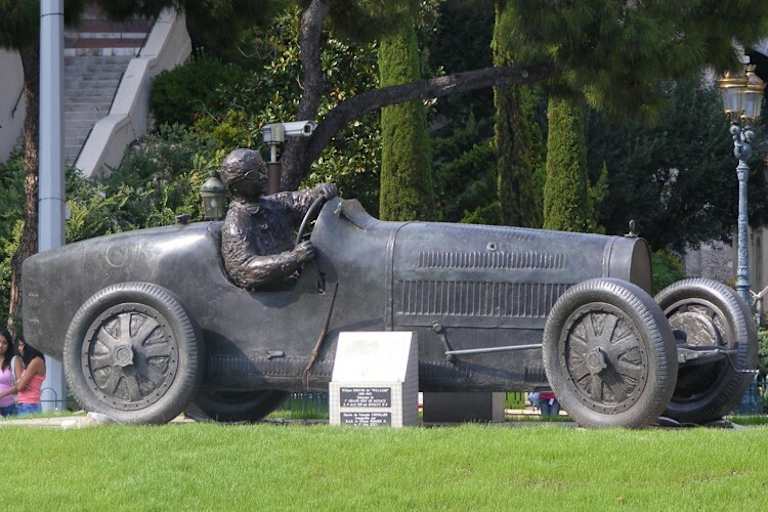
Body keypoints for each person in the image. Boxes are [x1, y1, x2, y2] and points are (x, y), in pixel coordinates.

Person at [219, 148, 337, 290]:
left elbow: (303, 201)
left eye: (263, 169)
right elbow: (244, 270)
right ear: (236, 184)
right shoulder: (235, 223)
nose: (264, 176)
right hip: (273, 300)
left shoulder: (275, 204)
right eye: (256, 173)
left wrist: (321, 191)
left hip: (300, 284)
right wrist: (294, 258)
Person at [11, 336, 45, 416]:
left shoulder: (36, 361)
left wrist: (20, 383)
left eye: (22, 345)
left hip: (30, 405)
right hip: (25, 404)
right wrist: (20, 383)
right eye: (19, 345)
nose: (19, 348)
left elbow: (19, 387)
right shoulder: (30, 362)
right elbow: (20, 384)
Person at [0, 328, 16, 417]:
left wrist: (2, 394)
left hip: (9, 407)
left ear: (9, 345)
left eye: (4, 343)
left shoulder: (14, 361)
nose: (0, 345)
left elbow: (19, 385)